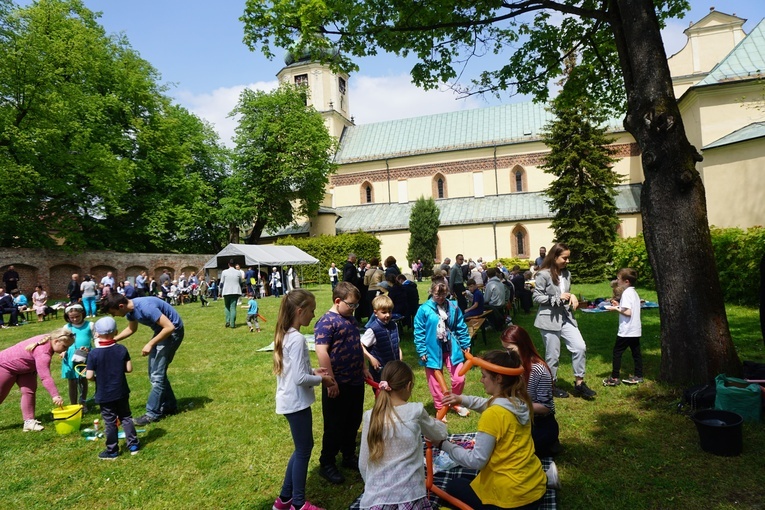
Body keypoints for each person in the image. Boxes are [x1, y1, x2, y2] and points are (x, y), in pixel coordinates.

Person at [440, 349, 548, 510]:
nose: (481, 380)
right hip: (534, 489)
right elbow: (487, 403)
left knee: (453, 486)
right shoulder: (518, 401)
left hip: (512, 499)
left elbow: (476, 461)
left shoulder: (493, 414)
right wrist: (461, 399)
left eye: (484, 376)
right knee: (470, 482)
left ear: (498, 378)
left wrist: (443, 444)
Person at [272, 290, 334, 510]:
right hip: (296, 403)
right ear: (300, 311)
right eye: (311, 311)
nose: (313, 315)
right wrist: (323, 380)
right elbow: (299, 378)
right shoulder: (297, 339)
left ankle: (284, 499)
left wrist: (313, 371)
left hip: (291, 401)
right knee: (304, 450)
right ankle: (298, 503)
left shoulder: (287, 334)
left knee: (301, 448)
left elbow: (295, 371)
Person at [358, 361, 447, 510]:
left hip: (374, 501)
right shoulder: (415, 411)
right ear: (408, 386)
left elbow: (363, 464)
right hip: (411, 498)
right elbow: (440, 433)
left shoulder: (369, 416)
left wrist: (372, 486)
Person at [314, 281, 368, 485]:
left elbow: (357, 345)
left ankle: (348, 455)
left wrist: (363, 366)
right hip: (338, 383)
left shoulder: (351, 320)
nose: (354, 309)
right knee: (335, 424)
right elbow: (321, 351)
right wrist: (330, 381)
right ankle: (327, 462)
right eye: (351, 305)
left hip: (355, 381)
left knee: (353, 420)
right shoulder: (326, 322)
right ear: (338, 301)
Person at [103, 293, 184, 425]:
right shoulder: (130, 310)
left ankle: (152, 414)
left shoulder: (145, 307)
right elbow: (131, 329)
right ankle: (169, 405)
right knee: (156, 373)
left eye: (114, 312)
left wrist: (150, 343)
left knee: (157, 375)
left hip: (172, 332)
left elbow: (170, 327)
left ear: (121, 306)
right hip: (162, 331)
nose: (114, 316)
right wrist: (111, 341)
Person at [533, 243, 596, 400]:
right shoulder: (543, 274)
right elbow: (536, 297)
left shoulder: (567, 274)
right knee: (553, 355)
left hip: (566, 317)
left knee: (580, 347)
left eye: (569, 258)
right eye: (565, 258)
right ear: (555, 257)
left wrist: (571, 295)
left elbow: (565, 292)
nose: (568, 261)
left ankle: (579, 383)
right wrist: (556, 298)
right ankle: (551, 385)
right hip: (548, 319)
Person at [413, 277, 472, 419]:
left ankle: (454, 401)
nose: (440, 298)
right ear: (431, 292)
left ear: (447, 293)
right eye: (437, 295)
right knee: (435, 382)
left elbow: (460, 327)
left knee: (459, 378)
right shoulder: (424, 310)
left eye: (443, 295)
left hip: (452, 348)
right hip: (432, 349)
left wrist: (465, 343)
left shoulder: (453, 307)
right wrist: (421, 350)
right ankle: (441, 407)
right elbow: (419, 330)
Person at [501, 326, 560, 457]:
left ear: (522, 345)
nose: (507, 354)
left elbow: (546, 407)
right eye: (504, 349)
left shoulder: (539, 369)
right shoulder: (513, 366)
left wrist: (514, 405)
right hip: (520, 420)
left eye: (510, 349)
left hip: (539, 424)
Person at [85, 317, 139, 459]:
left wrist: (95, 376)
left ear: (96, 334)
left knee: (110, 422)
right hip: (121, 391)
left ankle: (112, 451)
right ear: (116, 332)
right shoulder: (121, 349)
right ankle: (133, 446)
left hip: (104, 394)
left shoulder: (93, 354)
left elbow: (89, 376)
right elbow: (129, 369)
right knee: (126, 417)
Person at [0, 328, 73, 432]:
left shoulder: (50, 338)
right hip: (5, 366)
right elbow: (45, 377)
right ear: (56, 341)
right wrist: (55, 395)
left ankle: (29, 422)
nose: (65, 350)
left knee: (29, 391)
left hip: (25, 367)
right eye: (64, 346)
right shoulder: (43, 353)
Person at [603, 268, 644, 386]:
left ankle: (615, 377)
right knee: (636, 353)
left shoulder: (626, 293)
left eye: (618, 279)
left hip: (626, 331)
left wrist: (615, 308)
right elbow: (627, 308)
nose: (617, 281)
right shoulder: (633, 292)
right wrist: (619, 305)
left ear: (626, 281)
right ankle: (639, 375)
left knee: (617, 352)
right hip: (635, 329)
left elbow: (628, 312)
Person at [361, 295, 402, 383]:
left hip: (394, 368)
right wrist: (371, 359)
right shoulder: (373, 329)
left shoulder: (394, 325)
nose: (387, 315)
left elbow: (397, 344)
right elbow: (360, 346)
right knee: (382, 394)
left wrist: (400, 359)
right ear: (375, 313)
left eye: (390, 312)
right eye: (384, 312)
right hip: (380, 370)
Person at [62, 304, 95, 412]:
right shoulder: (67, 327)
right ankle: (73, 405)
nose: (75, 319)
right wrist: (63, 351)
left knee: (83, 379)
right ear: (68, 317)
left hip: (85, 355)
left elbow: (96, 339)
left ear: (82, 314)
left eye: (77, 316)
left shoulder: (90, 325)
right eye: (72, 317)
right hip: (70, 356)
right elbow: (63, 342)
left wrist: (91, 351)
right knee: (72, 381)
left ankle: (83, 402)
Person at [220, 259, 244, 328]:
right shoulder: (238, 272)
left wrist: (220, 291)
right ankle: (232, 324)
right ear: (235, 265)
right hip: (235, 291)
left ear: (228, 264)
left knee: (227, 306)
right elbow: (241, 282)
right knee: (233, 308)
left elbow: (221, 283)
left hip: (226, 291)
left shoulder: (224, 272)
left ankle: (227, 321)